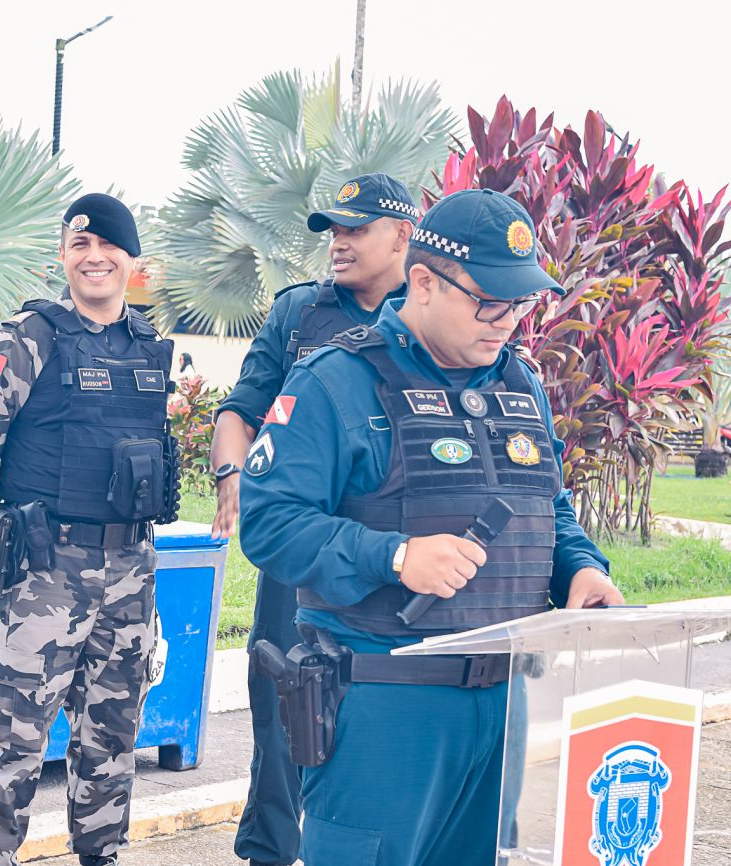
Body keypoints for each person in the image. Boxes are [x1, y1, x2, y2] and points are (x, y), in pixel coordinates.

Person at [239, 188, 623, 866]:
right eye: (489, 302)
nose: (507, 322)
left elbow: (548, 505)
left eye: (520, 304)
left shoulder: (521, 383)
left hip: (502, 702)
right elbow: (269, 522)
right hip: (385, 706)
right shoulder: (336, 382)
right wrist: (394, 557)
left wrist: (581, 568)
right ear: (423, 282)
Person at [0, 193, 177, 866]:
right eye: (80, 245)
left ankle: (101, 855)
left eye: (108, 246)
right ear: (64, 256)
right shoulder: (27, 339)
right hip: (45, 571)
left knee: (113, 740)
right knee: (13, 741)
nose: (94, 257)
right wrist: (1, 538)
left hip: (130, 570)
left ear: (132, 260)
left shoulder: (148, 346)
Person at [208, 172, 419, 866]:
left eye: (356, 229)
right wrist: (232, 477)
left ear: (403, 235)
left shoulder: (431, 313)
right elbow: (241, 411)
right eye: (334, 230)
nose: (339, 242)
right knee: (283, 703)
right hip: (299, 549)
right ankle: (271, 851)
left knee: (381, 710)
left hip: (393, 549)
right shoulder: (299, 312)